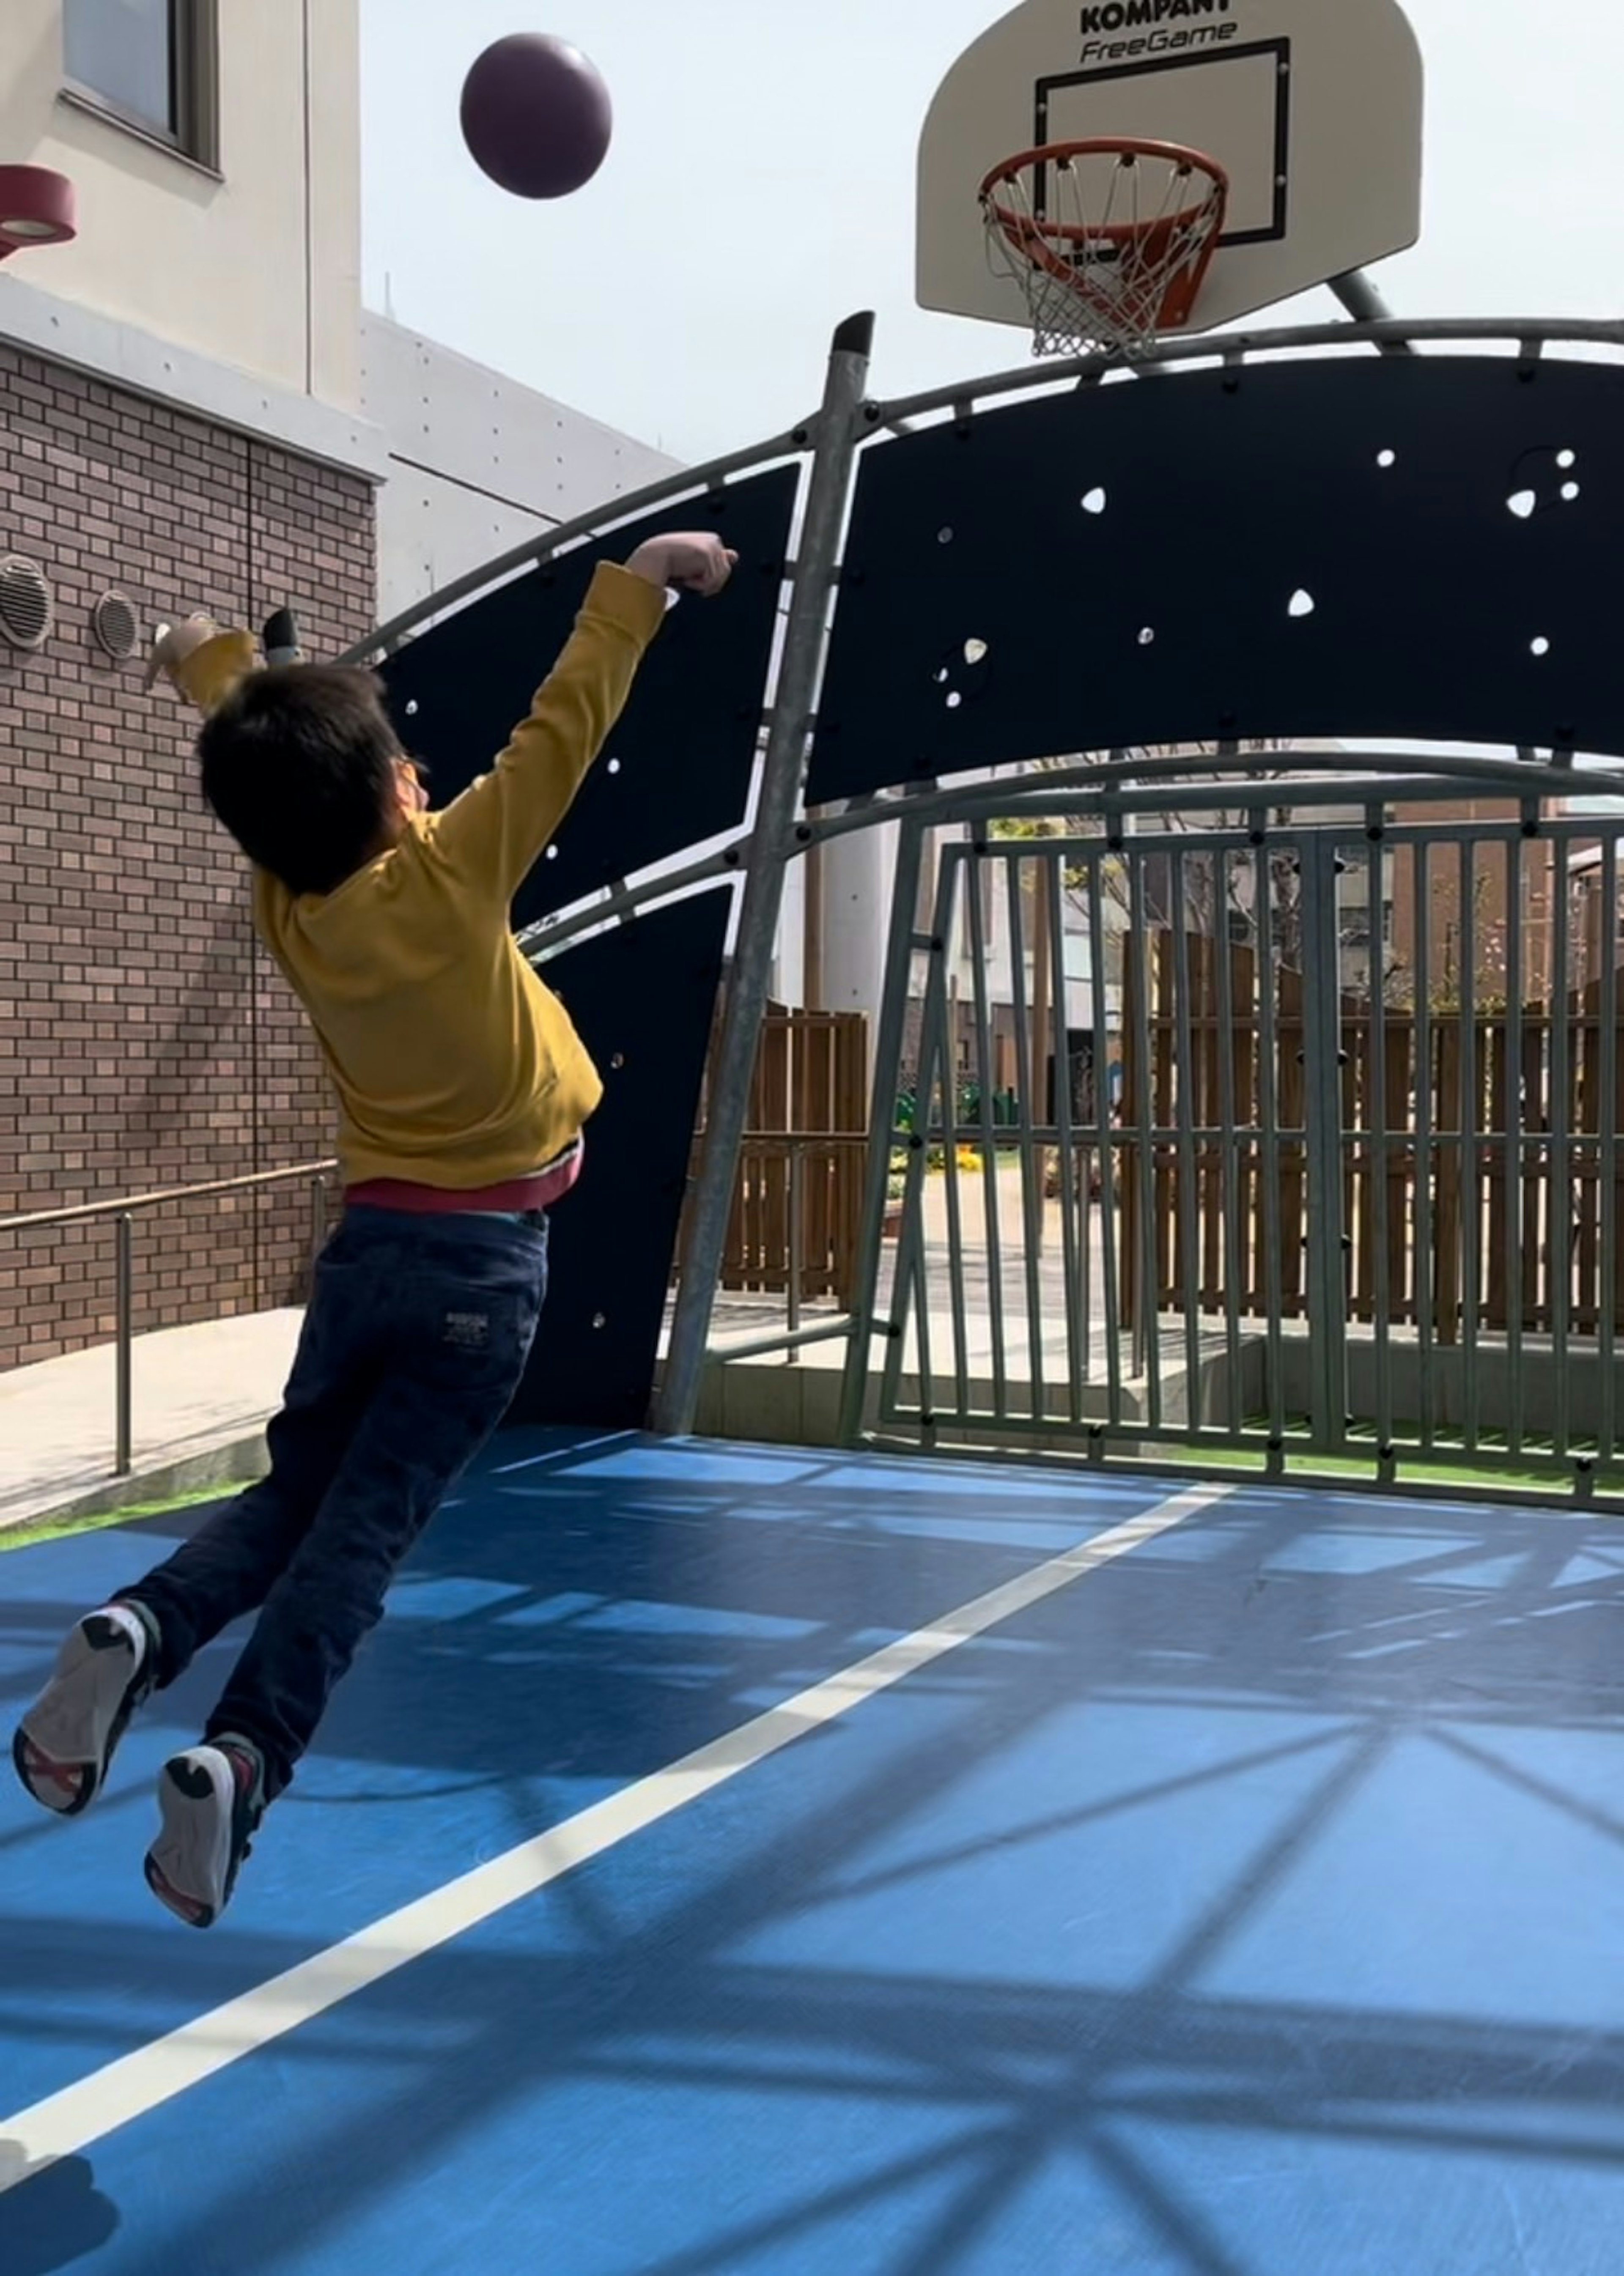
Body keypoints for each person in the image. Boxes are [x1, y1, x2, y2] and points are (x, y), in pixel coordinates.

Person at [12, 531, 737, 1927]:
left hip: (370, 1258)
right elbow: (561, 725)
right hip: (484, 1269)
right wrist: (639, 579)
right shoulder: (454, 876)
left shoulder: (291, 907)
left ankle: (143, 1630)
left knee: (296, 1498)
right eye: (408, 767)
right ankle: (244, 1753)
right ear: (403, 799)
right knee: (361, 1538)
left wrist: (199, 661)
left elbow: (272, 755)